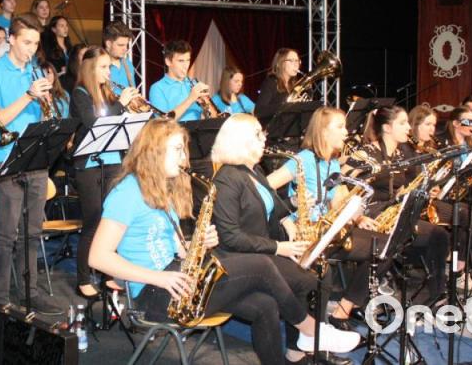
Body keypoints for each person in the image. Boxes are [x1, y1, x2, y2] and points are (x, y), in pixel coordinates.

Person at [89, 119, 360, 365]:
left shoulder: (162, 190)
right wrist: (158, 278)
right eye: (177, 150)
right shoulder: (127, 193)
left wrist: (196, 244)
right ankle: (312, 331)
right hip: (153, 295)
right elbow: (98, 257)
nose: (184, 158)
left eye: (184, 150)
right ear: (153, 151)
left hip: (178, 279)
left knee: (266, 304)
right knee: (262, 265)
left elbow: (173, 248)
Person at [211, 114, 354, 365]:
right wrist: (279, 247)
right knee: (303, 281)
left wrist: (293, 202)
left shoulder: (253, 171)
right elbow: (230, 237)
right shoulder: (227, 178)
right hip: (239, 258)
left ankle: (302, 343)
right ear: (241, 140)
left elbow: (270, 211)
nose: (264, 138)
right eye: (258, 134)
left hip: (260, 251)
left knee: (318, 271)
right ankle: (310, 335)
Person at [265, 107, 387, 327]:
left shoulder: (332, 162)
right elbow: (263, 188)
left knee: (384, 246)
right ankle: (320, 327)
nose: (346, 132)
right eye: (340, 127)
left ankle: (343, 309)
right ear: (323, 131)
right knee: (328, 271)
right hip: (304, 233)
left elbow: (336, 201)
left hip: (324, 231)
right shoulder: (303, 159)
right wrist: (285, 219)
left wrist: (358, 218)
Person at [0, 15, 63, 314]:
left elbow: (43, 114)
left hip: (35, 156)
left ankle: (30, 292)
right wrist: (29, 96)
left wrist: (48, 108)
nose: (32, 49)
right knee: (7, 234)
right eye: (27, 42)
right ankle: (0, 299)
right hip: (5, 157)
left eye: (36, 43)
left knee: (32, 231)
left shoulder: (34, 70)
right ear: (11, 39)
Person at [357, 106, 450, 303]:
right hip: (373, 213)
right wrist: (359, 216)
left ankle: (434, 293)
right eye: (402, 123)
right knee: (425, 237)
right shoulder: (368, 153)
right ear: (387, 128)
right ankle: (376, 285)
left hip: (393, 210)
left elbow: (400, 186)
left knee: (438, 235)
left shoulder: (399, 155)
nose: (409, 127)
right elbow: (350, 187)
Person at [68, 47, 139, 297]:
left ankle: (109, 274)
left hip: (112, 162)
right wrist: (121, 105)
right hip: (89, 165)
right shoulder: (79, 94)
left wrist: (129, 110)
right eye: (104, 67)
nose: (109, 72)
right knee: (93, 221)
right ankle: (83, 278)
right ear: (90, 68)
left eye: (109, 67)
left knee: (113, 220)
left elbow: (119, 124)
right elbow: (93, 123)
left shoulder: (108, 92)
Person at [407, 105, 472, 271]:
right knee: (470, 217)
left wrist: (435, 186)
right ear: (415, 125)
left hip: (431, 199)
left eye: (434, 125)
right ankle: (455, 265)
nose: (432, 129)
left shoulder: (429, 149)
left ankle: (456, 262)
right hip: (417, 203)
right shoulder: (407, 150)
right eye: (428, 124)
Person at [148, 40, 209, 122]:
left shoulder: (193, 84)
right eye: (181, 61)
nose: (186, 66)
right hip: (176, 130)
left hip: (199, 129)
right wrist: (191, 99)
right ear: (168, 61)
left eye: (188, 60)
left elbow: (205, 120)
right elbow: (163, 122)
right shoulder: (157, 88)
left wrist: (206, 108)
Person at [255, 47, 302, 121]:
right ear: (280, 63)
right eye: (291, 61)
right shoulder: (271, 82)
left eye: (297, 60)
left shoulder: (295, 84)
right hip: (274, 127)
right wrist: (286, 106)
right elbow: (259, 111)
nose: (296, 64)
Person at [102, 21, 134, 95]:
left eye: (126, 45)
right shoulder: (98, 66)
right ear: (108, 44)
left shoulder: (128, 64)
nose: (125, 49)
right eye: (120, 45)